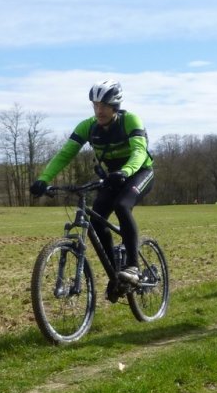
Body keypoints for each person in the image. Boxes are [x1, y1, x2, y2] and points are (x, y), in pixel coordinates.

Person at [29, 79, 155, 303]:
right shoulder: (87, 126)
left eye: (104, 105)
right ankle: (117, 274)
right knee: (95, 223)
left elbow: (139, 151)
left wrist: (126, 171)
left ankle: (133, 266)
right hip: (112, 176)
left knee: (122, 206)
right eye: (95, 105)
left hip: (139, 172)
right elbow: (65, 154)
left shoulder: (130, 120)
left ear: (115, 105)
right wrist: (44, 179)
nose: (99, 110)